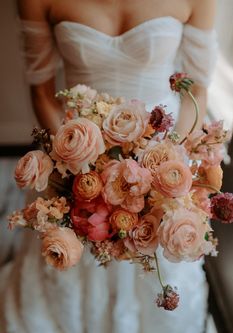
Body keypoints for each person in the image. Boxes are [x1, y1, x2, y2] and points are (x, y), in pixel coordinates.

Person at [0, 0, 217, 332]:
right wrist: (78, 165)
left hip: (163, 156)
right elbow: (42, 92)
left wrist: (172, 162)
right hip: (76, 162)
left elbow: (198, 89)